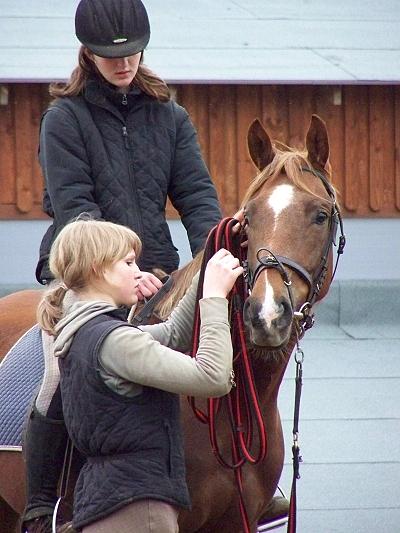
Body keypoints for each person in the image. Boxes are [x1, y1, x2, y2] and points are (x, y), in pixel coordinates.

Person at [23, 0, 222, 529]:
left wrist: (215, 256)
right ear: (87, 52)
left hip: (159, 271)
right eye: (112, 55)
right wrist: (122, 269)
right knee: (56, 374)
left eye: (132, 52)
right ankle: (41, 505)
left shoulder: (170, 116)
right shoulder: (63, 118)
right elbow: (75, 208)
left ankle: (244, 478)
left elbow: (197, 195)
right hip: (82, 273)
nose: (124, 63)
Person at [35, 218, 242, 533]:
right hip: (140, 510)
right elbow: (213, 377)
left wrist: (210, 266)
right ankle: (38, 503)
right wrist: (214, 297)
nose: (137, 270)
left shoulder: (89, 332)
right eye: (128, 262)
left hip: (110, 502)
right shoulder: (118, 341)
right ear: (97, 269)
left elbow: (173, 332)